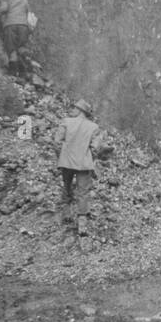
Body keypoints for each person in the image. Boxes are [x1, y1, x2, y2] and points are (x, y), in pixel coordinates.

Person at [52, 99, 103, 241]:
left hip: (66, 162)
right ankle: (82, 224)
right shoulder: (94, 127)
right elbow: (95, 147)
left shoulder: (66, 122)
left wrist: (61, 156)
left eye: (74, 108)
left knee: (67, 187)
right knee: (83, 192)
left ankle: (67, 213)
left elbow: (57, 142)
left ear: (81, 110)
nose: (72, 109)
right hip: (83, 165)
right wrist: (89, 158)